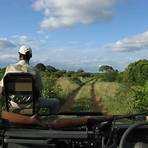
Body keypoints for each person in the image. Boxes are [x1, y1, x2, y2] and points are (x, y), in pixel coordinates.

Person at [0, 45, 60, 114]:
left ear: (19, 55)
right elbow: (39, 90)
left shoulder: (9, 68)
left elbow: (1, 88)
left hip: (13, 104)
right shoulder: (34, 71)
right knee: (56, 102)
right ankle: (49, 122)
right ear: (30, 57)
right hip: (31, 105)